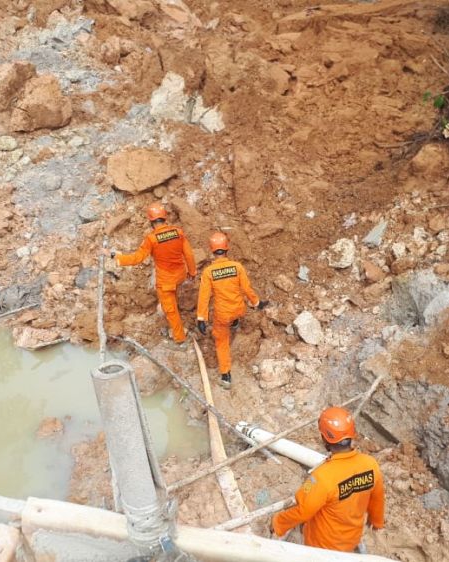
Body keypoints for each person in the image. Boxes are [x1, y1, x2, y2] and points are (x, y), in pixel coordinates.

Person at [271, 406, 385, 553]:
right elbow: (377, 498)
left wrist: (278, 523)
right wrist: (377, 522)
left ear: (325, 438)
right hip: (351, 540)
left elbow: (303, 511)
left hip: (322, 547)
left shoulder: (322, 477)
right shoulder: (370, 464)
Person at [103, 202, 196, 344]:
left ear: (151, 221)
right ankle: (173, 306)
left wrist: (114, 255)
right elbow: (189, 255)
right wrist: (192, 272)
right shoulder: (178, 232)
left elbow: (136, 258)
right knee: (173, 293)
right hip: (181, 274)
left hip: (166, 281)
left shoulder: (151, 239)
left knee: (170, 311)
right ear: (165, 218)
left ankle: (179, 338)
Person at [196, 232, 267, 388]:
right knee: (235, 312)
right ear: (227, 249)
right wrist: (256, 303)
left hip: (222, 315)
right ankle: (235, 323)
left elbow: (204, 296)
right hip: (239, 309)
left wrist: (201, 317)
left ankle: (226, 376)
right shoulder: (237, 267)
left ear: (212, 251)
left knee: (221, 342)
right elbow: (247, 289)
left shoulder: (209, 272)